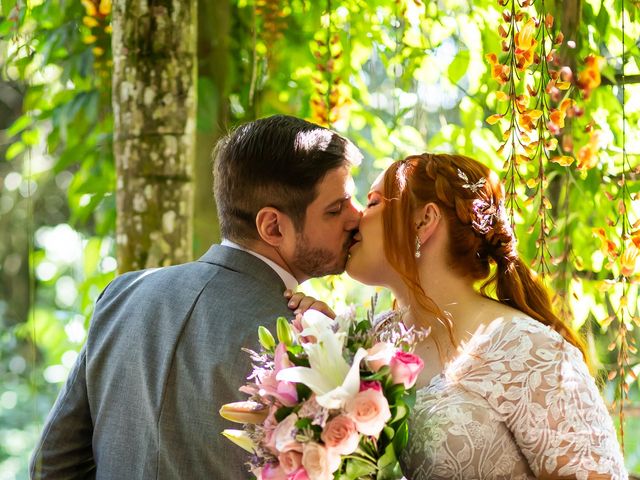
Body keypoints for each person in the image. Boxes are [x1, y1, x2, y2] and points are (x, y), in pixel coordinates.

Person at [29, 115, 362, 479]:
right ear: (273, 226)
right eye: (335, 208)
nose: (357, 216)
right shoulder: (306, 340)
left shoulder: (121, 295)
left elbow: (52, 465)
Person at [346, 152, 627, 479]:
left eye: (374, 202)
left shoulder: (533, 353)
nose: (355, 217)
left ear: (423, 222)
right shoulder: (372, 340)